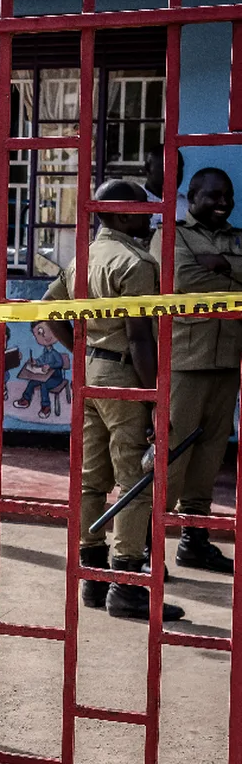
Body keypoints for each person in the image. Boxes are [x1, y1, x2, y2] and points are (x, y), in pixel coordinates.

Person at [42, 178, 184, 621]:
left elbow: (49, 308)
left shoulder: (84, 257)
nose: (151, 217)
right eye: (143, 210)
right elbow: (141, 338)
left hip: (89, 373)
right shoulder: (136, 263)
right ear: (123, 215)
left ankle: (93, 578)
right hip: (124, 375)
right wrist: (158, 398)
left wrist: (82, 351)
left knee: (90, 478)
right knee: (135, 478)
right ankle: (126, 585)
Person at [152, 167, 240, 575]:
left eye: (228, 196)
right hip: (185, 363)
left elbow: (204, 282)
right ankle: (144, 546)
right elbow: (183, 278)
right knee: (172, 455)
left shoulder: (237, 238)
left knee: (210, 457)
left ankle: (195, 541)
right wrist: (225, 275)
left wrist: (220, 264)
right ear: (192, 197)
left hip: (227, 364)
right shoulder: (173, 236)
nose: (223, 203)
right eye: (213, 196)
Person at [144, 147, 188, 231]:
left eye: (179, 168)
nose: (175, 174)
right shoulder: (133, 200)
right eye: (168, 168)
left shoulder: (188, 206)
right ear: (147, 168)